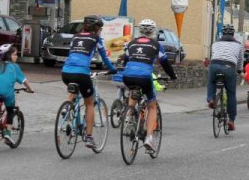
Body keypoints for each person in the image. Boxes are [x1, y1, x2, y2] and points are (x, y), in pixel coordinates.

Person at [61, 15, 117, 148]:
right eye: (100, 29)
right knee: (89, 103)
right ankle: (89, 136)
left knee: (74, 87)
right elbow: (104, 57)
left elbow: (72, 54)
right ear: (97, 29)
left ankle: (68, 106)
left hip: (66, 72)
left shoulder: (75, 37)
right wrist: (112, 70)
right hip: (82, 73)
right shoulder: (95, 38)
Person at [123, 19, 177, 152]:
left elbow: (126, 60)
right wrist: (173, 76)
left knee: (133, 91)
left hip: (128, 76)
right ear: (154, 32)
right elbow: (165, 63)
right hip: (144, 77)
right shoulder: (156, 45)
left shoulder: (131, 43)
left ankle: (129, 115)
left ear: (139, 31)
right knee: (152, 106)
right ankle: (149, 138)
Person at [0, 44, 34, 145]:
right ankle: (7, 133)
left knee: (0, 97)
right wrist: (30, 89)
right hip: (7, 93)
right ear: (8, 55)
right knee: (10, 110)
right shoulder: (14, 67)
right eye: (14, 54)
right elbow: (24, 81)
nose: (16, 56)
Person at [206, 23, 244, 131]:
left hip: (214, 65)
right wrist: (239, 70)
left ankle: (211, 99)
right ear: (233, 34)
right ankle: (231, 120)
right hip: (229, 67)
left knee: (211, 81)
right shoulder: (238, 45)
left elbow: (212, 55)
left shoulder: (215, 43)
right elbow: (240, 60)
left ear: (222, 33)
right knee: (231, 94)